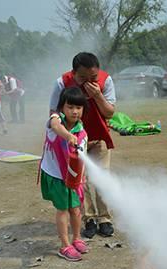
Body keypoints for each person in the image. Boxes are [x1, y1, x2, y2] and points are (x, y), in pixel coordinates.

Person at [49, 52, 116, 239]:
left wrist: (97, 96)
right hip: (74, 139)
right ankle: (89, 218)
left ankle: (105, 218)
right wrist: (66, 136)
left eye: (92, 77)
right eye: (82, 78)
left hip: (99, 137)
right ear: (73, 72)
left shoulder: (106, 80)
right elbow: (53, 112)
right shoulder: (62, 83)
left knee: (102, 177)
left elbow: (109, 112)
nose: (88, 82)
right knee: (81, 180)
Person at [39, 87, 89, 261]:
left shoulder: (82, 133)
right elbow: (56, 126)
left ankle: (77, 238)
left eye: (79, 107)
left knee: (75, 209)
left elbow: (83, 157)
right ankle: (64, 245)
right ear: (62, 107)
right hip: (56, 175)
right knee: (62, 209)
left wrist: (82, 177)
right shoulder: (55, 120)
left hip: (73, 177)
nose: (74, 111)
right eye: (70, 107)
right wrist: (68, 136)